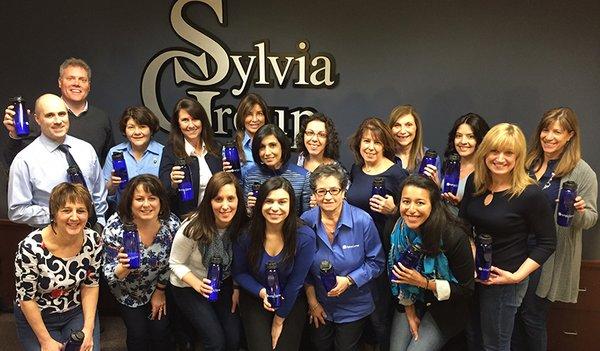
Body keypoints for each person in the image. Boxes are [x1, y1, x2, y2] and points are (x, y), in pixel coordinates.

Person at [459, 123, 556, 350]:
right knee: (474, 337)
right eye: (494, 151)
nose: (500, 158)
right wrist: (472, 254)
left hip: (504, 281)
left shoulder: (530, 194)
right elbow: (462, 223)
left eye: (508, 153)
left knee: (495, 345)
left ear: (518, 157)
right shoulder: (476, 181)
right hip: (473, 275)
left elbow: (548, 242)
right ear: (485, 153)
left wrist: (515, 277)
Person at [512, 108, 598, 351]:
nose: (549, 136)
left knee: (532, 316)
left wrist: (579, 212)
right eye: (545, 130)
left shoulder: (582, 171)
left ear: (570, 135)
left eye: (557, 132)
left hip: (549, 255)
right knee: (514, 314)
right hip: (516, 249)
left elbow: (591, 218)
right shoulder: (527, 161)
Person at [301, 164, 385, 351]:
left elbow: (377, 263)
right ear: (314, 194)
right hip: (319, 303)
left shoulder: (363, 221)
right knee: (318, 346)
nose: (328, 196)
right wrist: (313, 303)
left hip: (354, 306)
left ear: (343, 191)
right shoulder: (306, 221)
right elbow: (302, 268)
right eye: (321, 191)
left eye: (333, 190)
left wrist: (349, 280)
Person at [387, 175, 474, 351]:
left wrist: (423, 282)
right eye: (406, 202)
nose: (411, 209)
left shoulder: (453, 236)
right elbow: (395, 278)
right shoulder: (394, 229)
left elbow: (466, 289)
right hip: (409, 300)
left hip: (445, 308)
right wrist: (409, 312)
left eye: (420, 203)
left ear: (433, 206)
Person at [14, 182, 101, 351]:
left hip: (74, 311)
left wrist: (88, 331)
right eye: (67, 210)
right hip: (38, 314)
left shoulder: (93, 240)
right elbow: (26, 299)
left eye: (81, 211)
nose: (75, 217)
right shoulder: (30, 247)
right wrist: (45, 341)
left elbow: (90, 285)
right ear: (54, 214)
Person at [345, 117, 408, 351]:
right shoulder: (356, 170)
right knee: (358, 309)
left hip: (382, 250)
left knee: (379, 312)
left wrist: (394, 210)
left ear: (385, 146)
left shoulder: (396, 174)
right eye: (366, 141)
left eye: (377, 142)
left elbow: (413, 215)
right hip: (353, 250)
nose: (370, 147)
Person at [233, 177, 316, 351]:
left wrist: (279, 320)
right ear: (260, 203)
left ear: (291, 205)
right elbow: (240, 273)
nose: (275, 208)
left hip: (290, 299)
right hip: (256, 296)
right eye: (269, 201)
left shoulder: (304, 236)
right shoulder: (246, 234)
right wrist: (262, 293)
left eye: (282, 202)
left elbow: (296, 283)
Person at [169, 171, 248, 351]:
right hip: (188, 285)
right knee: (215, 342)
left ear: (238, 200)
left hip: (222, 282)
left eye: (230, 198)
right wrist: (197, 284)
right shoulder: (193, 227)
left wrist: (236, 288)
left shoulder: (242, 224)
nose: (225, 206)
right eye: (218, 199)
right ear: (209, 201)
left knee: (234, 339)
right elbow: (174, 263)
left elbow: (239, 261)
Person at [102, 175, 180, 351]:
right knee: (138, 334)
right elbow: (108, 274)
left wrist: (160, 291)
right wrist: (123, 268)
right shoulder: (115, 227)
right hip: (126, 291)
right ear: (130, 202)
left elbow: (174, 262)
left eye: (152, 198)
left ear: (161, 202)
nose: (146, 204)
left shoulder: (171, 224)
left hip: (158, 285)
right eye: (139, 199)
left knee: (161, 332)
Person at [8, 94, 107, 228]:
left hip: (90, 235)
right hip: (51, 239)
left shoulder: (86, 149)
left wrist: (100, 224)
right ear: (37, 119)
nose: (58, 120)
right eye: (50, 115)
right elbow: (17, 211)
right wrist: (58, 214)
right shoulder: (25, 160)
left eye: (62, 114)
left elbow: (98, 194)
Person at [3, 57, 113, 165]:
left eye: (82, 80)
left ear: (89, 85)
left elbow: (108, 161)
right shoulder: (40, 118)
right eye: (70, 78)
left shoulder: (101, 118)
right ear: (60, 82)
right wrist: (15, 135)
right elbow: (13, 162)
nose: (76, 83)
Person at [159, 97, 222, 218]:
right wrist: (172, 183)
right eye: (185, 120)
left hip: (216, 217)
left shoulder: (216, 148)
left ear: (202, 121)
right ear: (178, 124)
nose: (191, 125)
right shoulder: (170, 151)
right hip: (186, 219)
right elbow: (163, 192)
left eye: (195, 119)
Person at [102, 106, 164, 208]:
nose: (137, 132)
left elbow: (169, 191)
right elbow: (104, 194)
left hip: (154, 214)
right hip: (123, 214)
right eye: (131, 127)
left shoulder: (163, 152)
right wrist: (112, 184)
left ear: (151, 129)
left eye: (142, 126)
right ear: (125, 130)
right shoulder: (115, 153)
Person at [243, 124, 311, 215]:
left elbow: (307, 216)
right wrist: (250, 209)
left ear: (282, 147)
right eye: (262, 147)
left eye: (272, 145)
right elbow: (247, 217)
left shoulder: (302, 177)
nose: (267, 152)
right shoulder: (250, 175)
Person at [440, 113, 490, 212]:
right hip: (444, 223)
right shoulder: (450, 164)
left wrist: (460, 204)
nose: (463, 141)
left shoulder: (486, 170)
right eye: (458, 136)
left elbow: (486, 211)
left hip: (466, 225)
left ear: (480, 139)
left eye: (470, 136)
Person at [387, 105, 441, 180]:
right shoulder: (383, 156)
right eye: (397, 125)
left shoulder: (431, 158)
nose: (403, 131)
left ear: (416, 128)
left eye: (408, 125)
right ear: (390, 129)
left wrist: (436, 186)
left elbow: (436, 191)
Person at [232, 93, 270, 167]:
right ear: (242, 118)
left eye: (259, 113)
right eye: (249, 114)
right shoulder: (234, 148)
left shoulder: (275, 143)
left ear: (265, 117)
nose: (255, 119)